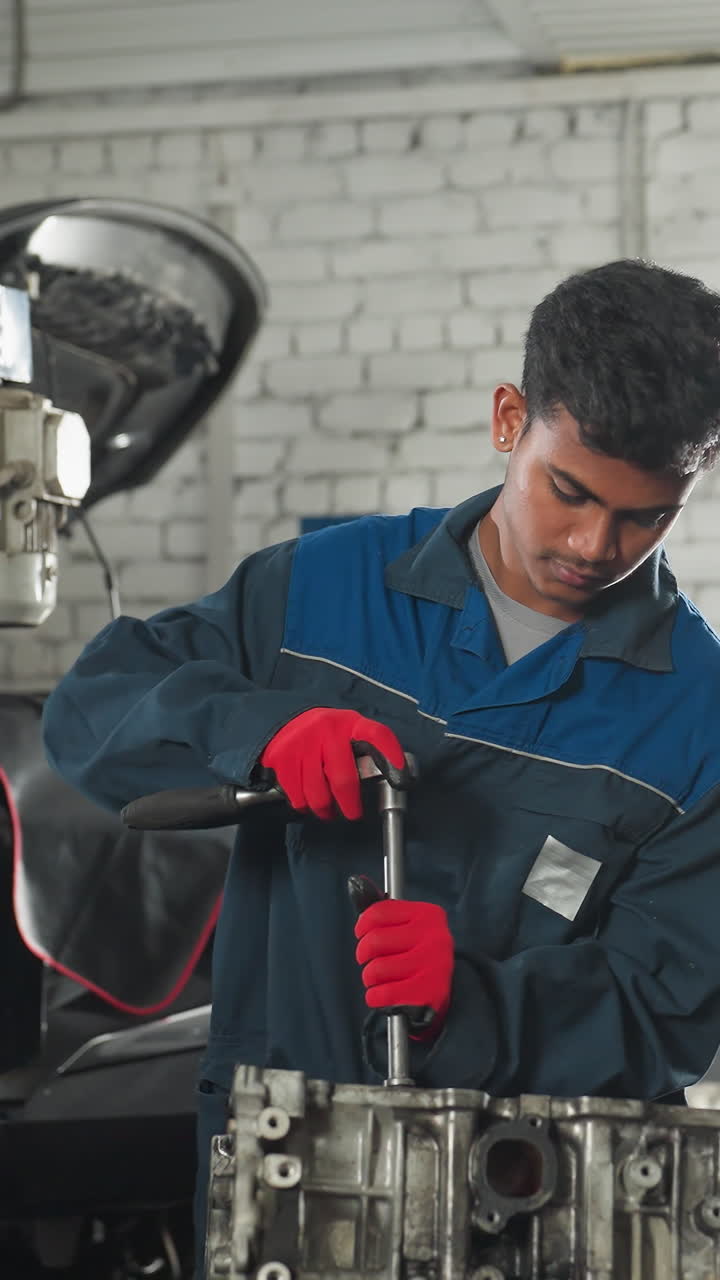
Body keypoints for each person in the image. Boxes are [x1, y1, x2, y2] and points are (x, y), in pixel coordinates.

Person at [43, 259, 720, 1272]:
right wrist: (256, 727)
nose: (593, 543)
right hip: (278, 1164)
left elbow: (669, 1007)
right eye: (567, 490)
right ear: (508, 421)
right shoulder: (322, 589)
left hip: (527, 1203)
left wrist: (471, 1005)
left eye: (645, 515)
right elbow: (92, 706)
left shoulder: (697, 715)